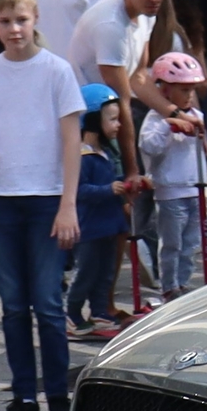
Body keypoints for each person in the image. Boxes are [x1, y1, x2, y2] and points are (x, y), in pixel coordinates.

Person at [0, 0, 82, 411]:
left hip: (47, 197)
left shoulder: (56, 70)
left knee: (48, 304)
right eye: (5, 20)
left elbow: (71, 139)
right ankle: (22, 396)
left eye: (22, 19)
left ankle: (57, 393)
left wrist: (68, 203)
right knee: (14, 306)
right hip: (4, 196)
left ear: (35, 20)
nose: (14, 28)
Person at [69, 0, 168, 186]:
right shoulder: (111, 25)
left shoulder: (147, 14)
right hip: (88, 119)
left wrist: (175, 112)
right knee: (109, 198)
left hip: (111, 113)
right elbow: (122, 99)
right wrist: (131, 170)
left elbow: (139, 78)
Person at [136, 52, 207, 300]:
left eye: (191, 89)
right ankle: (169, 286)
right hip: (171, 191)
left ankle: (184, 282)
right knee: (172, 244)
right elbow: (149, 146)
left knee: (191, 244)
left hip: (195, 187)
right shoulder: (156, 118)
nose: (189, 95)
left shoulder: (197, 116)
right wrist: (169, 126)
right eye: (183, 89)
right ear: (165, 90)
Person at [65, 87, 131, 340]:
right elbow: (80, 189)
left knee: (105, 273)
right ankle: (72, 314)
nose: (118, 125)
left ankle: (100, 310)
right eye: (112, 119)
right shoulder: (82, 156)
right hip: (90, 228)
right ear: (93, 120)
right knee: (86, 272)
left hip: (108, 226)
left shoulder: (105, 153)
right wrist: (108, 189)